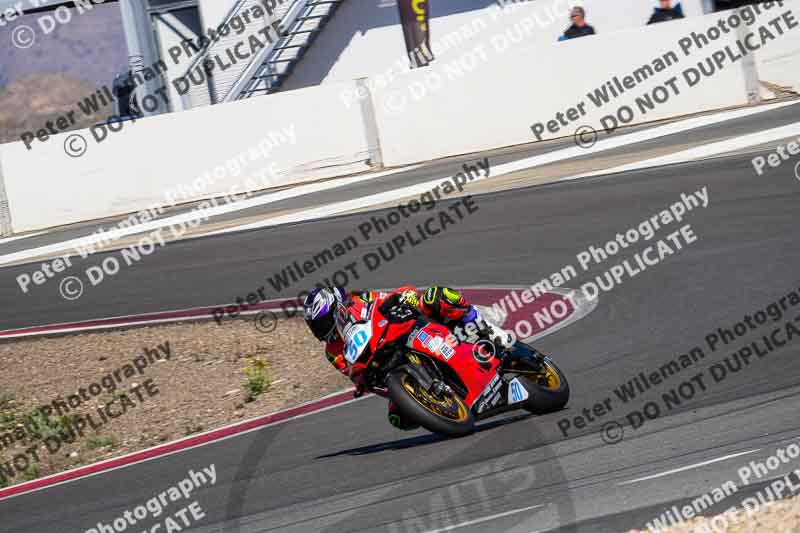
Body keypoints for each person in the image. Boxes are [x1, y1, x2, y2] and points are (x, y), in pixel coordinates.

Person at [302, 285, 515, 430]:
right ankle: (440, 402)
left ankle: (485, 327)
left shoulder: (361, 300)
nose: (320, 330)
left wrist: (405, 300)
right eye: (315, 327)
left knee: (436, 296)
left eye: (322, 323)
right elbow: (352, 373)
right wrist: (362, 382)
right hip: (386, 361)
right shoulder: (332, 350)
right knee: (398, 418)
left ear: (337, 309)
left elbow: (398, 295)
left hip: (409, 327)